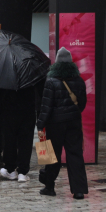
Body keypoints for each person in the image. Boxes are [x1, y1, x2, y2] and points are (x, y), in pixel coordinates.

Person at [37, 47, 88, 199]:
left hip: (55, 124)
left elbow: (46, 106)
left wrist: (40, 125)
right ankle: (78, 190)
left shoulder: (51, 81)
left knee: (53, 155)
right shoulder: (79, 81)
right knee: (75, 154)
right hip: (74, 122)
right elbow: (82, 104)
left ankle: (49, 186)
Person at [0, 81, 42, 183]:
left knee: (9, 140)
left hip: (8, 110)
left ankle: (10, 169)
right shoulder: (31, 73)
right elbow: (40, 90)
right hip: (27, 110)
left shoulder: (5, 72)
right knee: (25, 142)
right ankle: (22, 172)